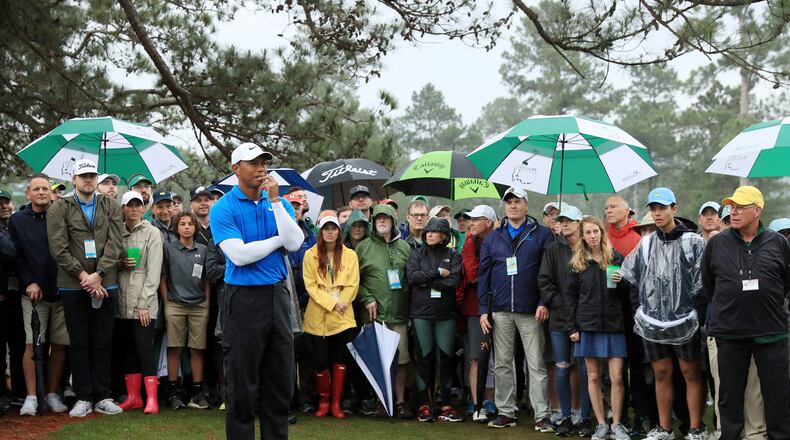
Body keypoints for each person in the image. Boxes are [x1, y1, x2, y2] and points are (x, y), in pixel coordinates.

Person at [210, 143, 302, 440]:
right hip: (243, 298)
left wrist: (276, 202)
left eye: (264, 162)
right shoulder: (223, 207)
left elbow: (296, 242)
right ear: (236, 168)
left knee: (279, 381)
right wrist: (278, 241)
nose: (261, 167)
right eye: (253, 162)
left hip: (276, 295)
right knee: (242, 383)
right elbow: (239, 255)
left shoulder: (279, 203)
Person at [702, 186, 790, 440]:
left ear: (757, 210)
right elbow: (709, 285)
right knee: (729, 396)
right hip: (729, 332)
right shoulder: (717, 244)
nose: (734, 211)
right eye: (732, 206)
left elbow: (785, 282)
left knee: (777, 394)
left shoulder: (779, 243)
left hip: (771, 331)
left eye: (741, 207)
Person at [620, 188, 707, 440]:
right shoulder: (646, 243)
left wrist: (696, 315)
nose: (657, 213)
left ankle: (695, 428)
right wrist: (641, 311)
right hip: (654, 323)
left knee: (691, 374)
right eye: (653, 208)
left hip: (685, 321)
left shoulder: (694, 242)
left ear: (674, 208)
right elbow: (634, 279)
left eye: (662, 208)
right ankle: (664, 428)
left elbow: (702, 283)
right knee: (661, 374)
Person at [47, 158, 124, 417]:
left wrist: (99, 274)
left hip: (106, 282)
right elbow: (59, 248)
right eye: (83, 176)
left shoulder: (111, 205)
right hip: (73, 284)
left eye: (92, 175)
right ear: (74, 180)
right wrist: (85, 276)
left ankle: (103, 396)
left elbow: (115, 244)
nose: (88, 180)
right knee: (79, 342)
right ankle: (83, 396)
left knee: (103, 342)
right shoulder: (59, 207)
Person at [478, 186, 554, 430]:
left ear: (526, 205)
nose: (512, 205)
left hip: (532, 310)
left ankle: (542, 415)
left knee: (536, 364)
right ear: (504, 206)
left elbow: (548, 273)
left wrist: (544, 302)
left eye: (517, 201)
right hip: (500, 310)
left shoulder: (542, 234)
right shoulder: (493, 238)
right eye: (508, 201)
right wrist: (483, 310)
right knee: (502, 364)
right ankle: (506, 412)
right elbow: (484, 275)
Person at [8, 174, 70, 415]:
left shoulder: (60, 216)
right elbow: (17, 255)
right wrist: (29, 282)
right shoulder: (17, 220)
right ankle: (32, 396)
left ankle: (53, 393)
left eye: (46, 188)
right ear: (28, 194)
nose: (42, 192)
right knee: (32, 346)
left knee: (60, 345)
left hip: (62, 290)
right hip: (33, 293)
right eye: (37, 189)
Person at [564, 216, 630, 440]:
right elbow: (571, 298)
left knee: (617, 377)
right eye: (588, 232)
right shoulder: (578, 263)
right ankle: (601, 424)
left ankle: (618, 424)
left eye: (596, 231)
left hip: (613, 324)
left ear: (602, 232)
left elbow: (625, 296)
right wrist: (572, 326)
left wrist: (623, 283)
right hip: (587, 325)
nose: (592, 236)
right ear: (582, 236)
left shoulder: (615, 257)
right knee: (592, 376)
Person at [539, 205, 593, 437]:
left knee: (585, 369)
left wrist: (581, 306)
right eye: (562, 220)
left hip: (585, 318)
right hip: (560, 318)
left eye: (570, 220)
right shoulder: (552, 248)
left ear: (579, 222)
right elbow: (544, 281)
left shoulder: (590, 246)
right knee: (561, 368)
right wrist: (561, 303)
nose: (565, 224)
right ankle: (566, 416)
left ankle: (586, 417)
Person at [355, 203, 413, 419]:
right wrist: (367, 298)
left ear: (393, 222)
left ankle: (399, 402)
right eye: (378, 218)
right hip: (374, 315)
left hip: (399, 313)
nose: (381, 221)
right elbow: (353, 281)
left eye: (386, 218)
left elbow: (412, 278)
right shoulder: (363, 247)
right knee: (379, 361)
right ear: (373, 221)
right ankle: (380, 401)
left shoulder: (405, 248)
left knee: (401, 360)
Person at [301, 216, 359, 419]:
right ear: (320, 231)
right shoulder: (310, 255)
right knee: (320, 360)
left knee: (340, 359)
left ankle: (336, 402)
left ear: (339, 231)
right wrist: (333, 303)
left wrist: (341, 302)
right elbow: (310, 285)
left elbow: (352, 283)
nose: (330, 232)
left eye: (333, 228)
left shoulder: (350, 255)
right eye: (326, 228)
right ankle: (323, 401)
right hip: (318, 315)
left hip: (343, 316)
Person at [408, 217, 463, 423]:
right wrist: (437, 273)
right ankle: (423, 404)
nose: (429, 234)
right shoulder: (416, 253)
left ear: (444, 235)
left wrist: (427, 282)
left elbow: (454, 282)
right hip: (421, 313)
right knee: (424, 358)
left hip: (445, 314)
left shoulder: (453, 255)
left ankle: (445, 403)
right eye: (427, 231)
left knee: (446, 358)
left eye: (434, 231)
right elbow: (412, 278)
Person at [116, 191, 163, 414]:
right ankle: (133, 397)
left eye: (138, 205)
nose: (134, 209)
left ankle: (151, 399)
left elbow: (154, 273)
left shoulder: (152, 233)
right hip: (121, 301)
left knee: (145, 350)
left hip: (144, 302)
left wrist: (144, 303)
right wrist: (120, 263)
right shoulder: (116, 230)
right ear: (123, 207)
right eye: (130, 205)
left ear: (144, 208)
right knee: (127, 350)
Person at [160, 211, 211, 410]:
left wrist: (206, 301)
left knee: (197, 348)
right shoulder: (169, 248)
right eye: (183, 223)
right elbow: (163, 277)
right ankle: (173, 391)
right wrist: (167, 302)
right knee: (174, 348)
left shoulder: (204, 250)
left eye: (190, 223)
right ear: (177, 227)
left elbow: (207, 278)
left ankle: (197, 392)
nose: (187, 227)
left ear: (195, 227)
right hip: (175, 304)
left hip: (199, 305)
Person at [457, 205, 497, 423]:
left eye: (475, 219)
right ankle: (476, 400)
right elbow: (472, 275)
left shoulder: (498, 240)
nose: (470, 223)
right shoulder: (470, 243)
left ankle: (490, 400)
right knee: (477, 357)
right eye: (469, 220)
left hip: (499, 306)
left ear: (488, 222)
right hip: (474, 308)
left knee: (496, 358)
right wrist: (494, 271)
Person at [0, 189, 26, 410]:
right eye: (0, 204)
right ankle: (2, 393)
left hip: (18, 294)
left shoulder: (16, 225)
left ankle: (19, 391)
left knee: (19, 345)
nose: (4, 207)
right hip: (3, 294)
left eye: (6, 202)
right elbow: (9, 252)